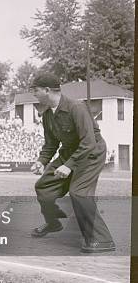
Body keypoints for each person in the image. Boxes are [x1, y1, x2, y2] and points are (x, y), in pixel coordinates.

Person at [29, 71, 115, 253]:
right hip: (70, 152)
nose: (33, 94)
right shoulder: (47, 115)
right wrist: (41, 161)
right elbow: (51, 143)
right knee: (43, 187)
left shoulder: (76, 107)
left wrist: (69, 166)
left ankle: (102, 240)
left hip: (91, 153)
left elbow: (89, 142)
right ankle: (53, 223)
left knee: (79, 193)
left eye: (35, 90)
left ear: (47, 90)